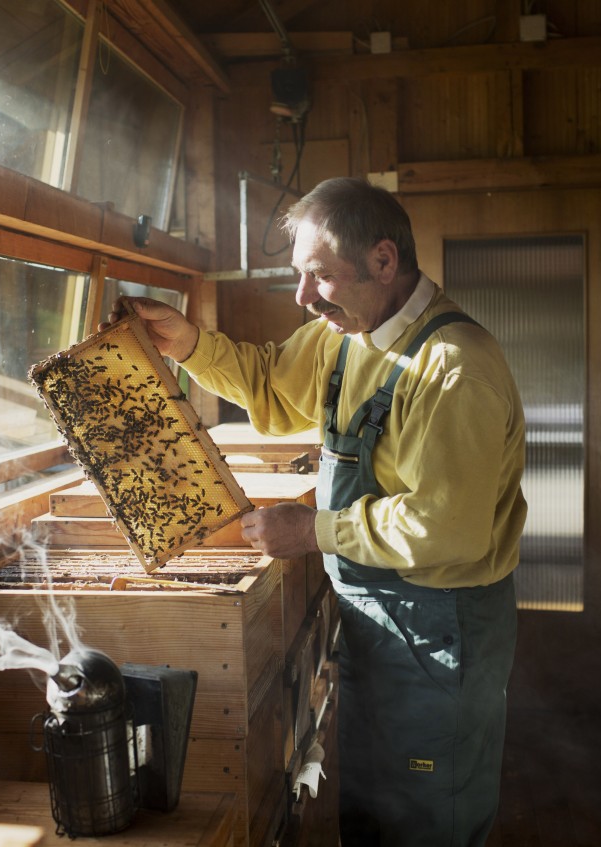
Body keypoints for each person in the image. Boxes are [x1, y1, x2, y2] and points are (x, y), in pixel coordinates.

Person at [102, 176, 527, 846]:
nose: (304, 297)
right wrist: (187, 345)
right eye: (298, 276)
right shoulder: (345, 337)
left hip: (442, 630)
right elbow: (271, 382)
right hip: (377, 618)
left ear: (384, 261)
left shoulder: (454, 368)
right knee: (373, 811)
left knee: (428, 818)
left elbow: (446, 528)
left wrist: (312, 530)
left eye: (319, 276)